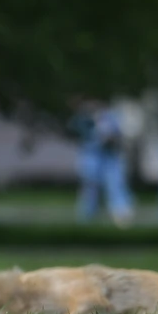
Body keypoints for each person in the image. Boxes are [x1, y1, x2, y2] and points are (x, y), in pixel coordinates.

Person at [66, 96, 135, 228]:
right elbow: (75, 131)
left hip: (109, 155)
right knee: (90, 185)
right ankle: (87, 216)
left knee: (115, 183)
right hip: (91, 154)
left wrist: (110, 138)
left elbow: (118, 134)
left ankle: (121, 214)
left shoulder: (110, 116)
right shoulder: (83, 117)